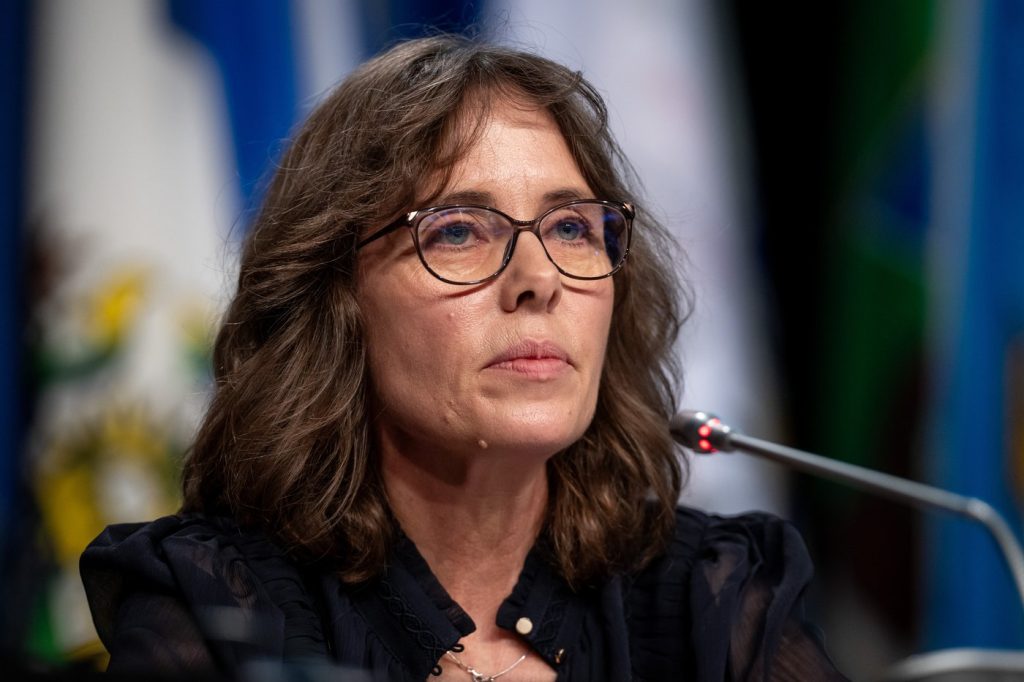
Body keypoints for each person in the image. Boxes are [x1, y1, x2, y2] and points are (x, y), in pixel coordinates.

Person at [80, 35, 846, 681]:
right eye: (457, 230)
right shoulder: (216, 609)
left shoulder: (713, 601)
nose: (538, 279)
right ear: (335, 298)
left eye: (573, 228)